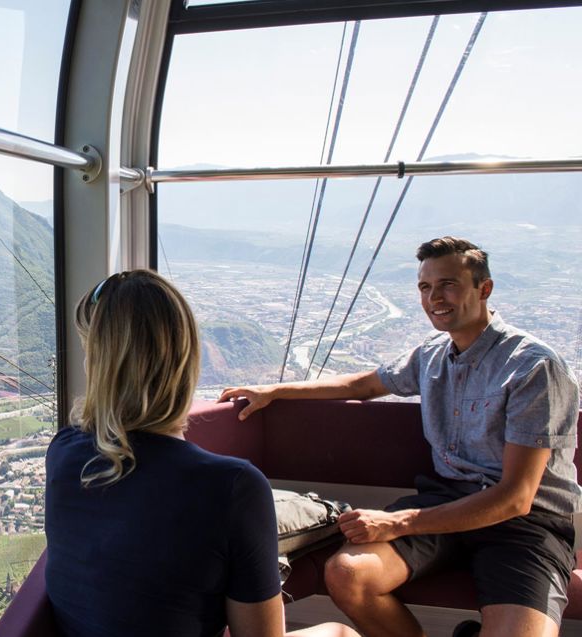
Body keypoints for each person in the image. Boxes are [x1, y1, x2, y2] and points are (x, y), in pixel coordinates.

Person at [220, 237, 581, 637]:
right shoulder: (431, 355)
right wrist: (273, 392)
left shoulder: (533, 368)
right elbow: (360, 385)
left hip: (524, 524)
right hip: (447, 499)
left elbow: (515, 497)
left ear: (485, 289)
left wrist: (398, 522)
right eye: (425, 288)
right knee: (347, 573)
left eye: (447, 284)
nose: (434, 298)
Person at [46, 269, 357, 637]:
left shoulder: (63, 452)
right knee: (340, 633)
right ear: (185, 359)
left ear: (99, 365)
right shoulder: (233, 487)